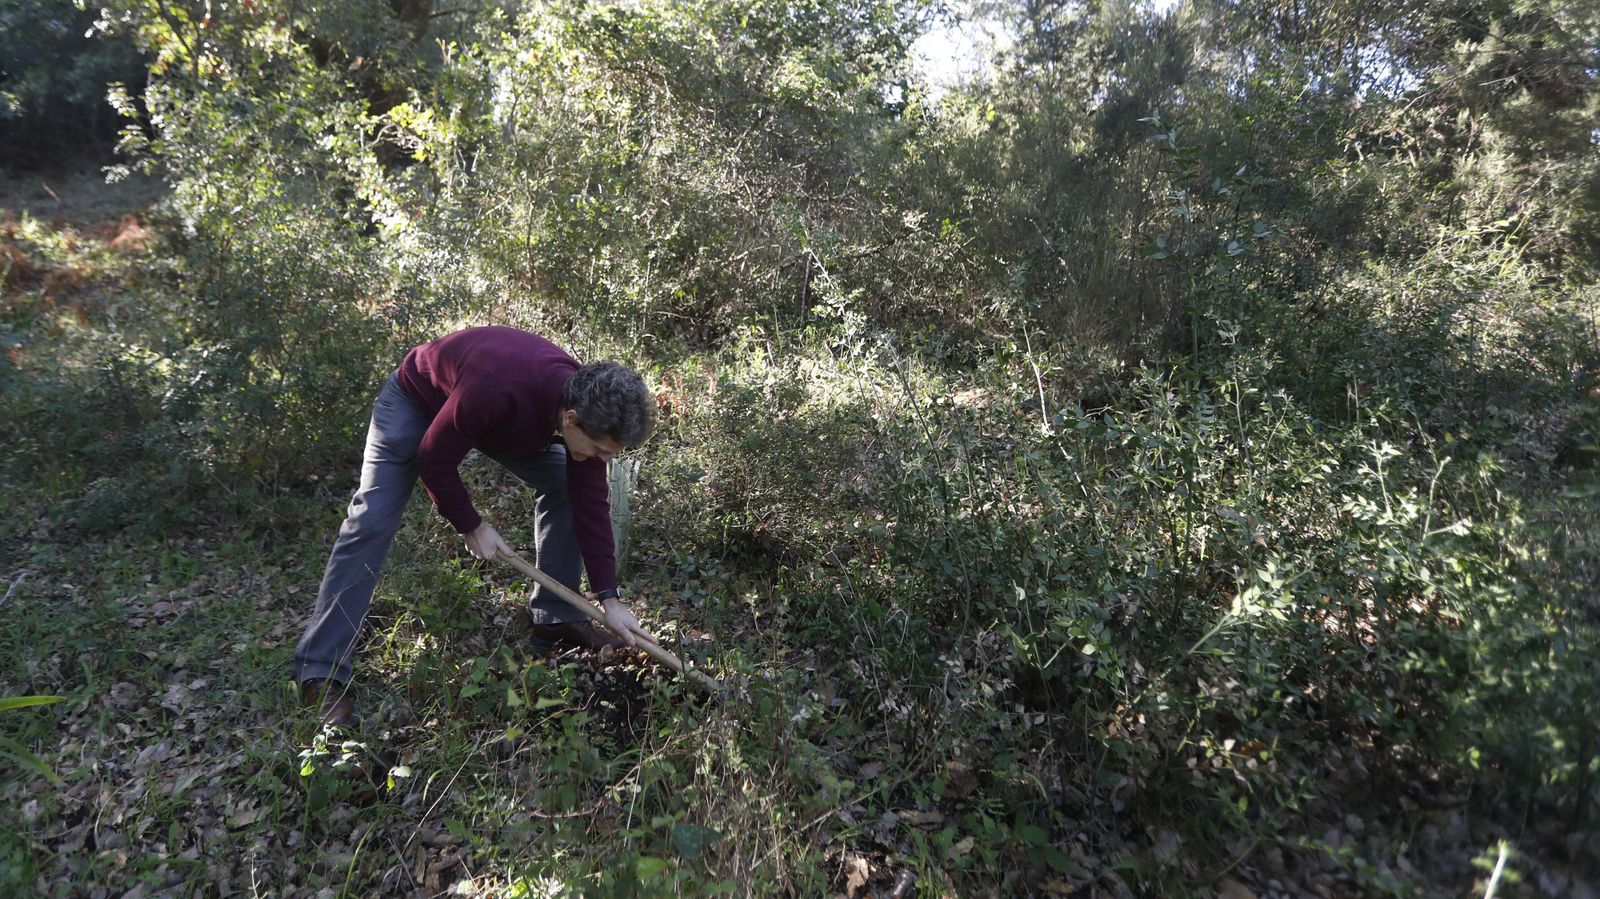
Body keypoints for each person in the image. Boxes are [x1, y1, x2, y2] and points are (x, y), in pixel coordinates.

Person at [293, 326, 657, 726]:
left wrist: (611, 599)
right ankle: (320, 669)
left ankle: (556, 618)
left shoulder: (580, 405)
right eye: (602, 450)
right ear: (570, 420)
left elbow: (590, 503)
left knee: (565, 484)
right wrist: (472, 525)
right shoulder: (499, 386)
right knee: (370, 519)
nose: (605, 459)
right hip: (418, 401)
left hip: (492, 420)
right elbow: (434, 459)